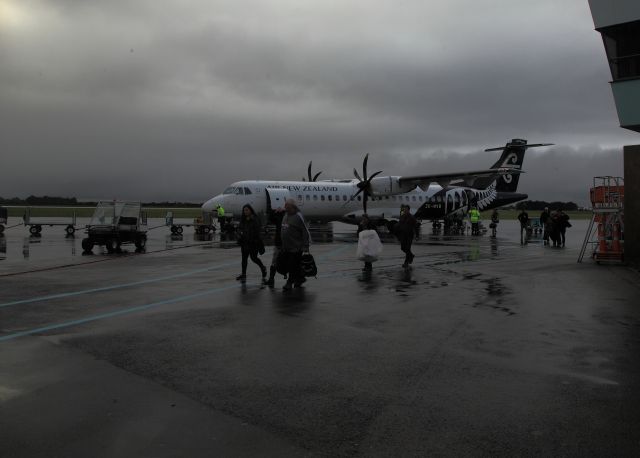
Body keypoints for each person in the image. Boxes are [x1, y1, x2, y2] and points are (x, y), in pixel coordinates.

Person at [280, 198, 310, 290]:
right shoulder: (285, 216)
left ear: (293, 207)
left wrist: (305, 246)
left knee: (292, 265)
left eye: (287, 206)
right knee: (292, 265)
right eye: (285, 205)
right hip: (286, 247)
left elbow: (305, 232)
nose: (285, 207)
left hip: (296, 247)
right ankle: (300, 278)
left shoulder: (298, 217)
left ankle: (289, 282)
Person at [236, 204, 267, 283]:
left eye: (247, 210)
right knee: (244, 259)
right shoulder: (243, 219)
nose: (245, 212)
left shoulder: (255, 219)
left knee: (254, 258)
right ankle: (243, 274)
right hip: (244, 242)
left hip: (253, 242)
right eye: (244, 210)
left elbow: (257, 230)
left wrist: (253, 239)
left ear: (250, 210)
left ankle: (263, 267)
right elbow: (239, 228)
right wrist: (240, 233)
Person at [265, 207, 284, 287]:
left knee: (291, 262)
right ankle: (271, 279)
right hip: (279, 242)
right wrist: (274, 211)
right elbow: (271, 218)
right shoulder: (279, 217)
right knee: (274, 261)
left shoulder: (290, 216)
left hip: (289, 243)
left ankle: (294, 280)